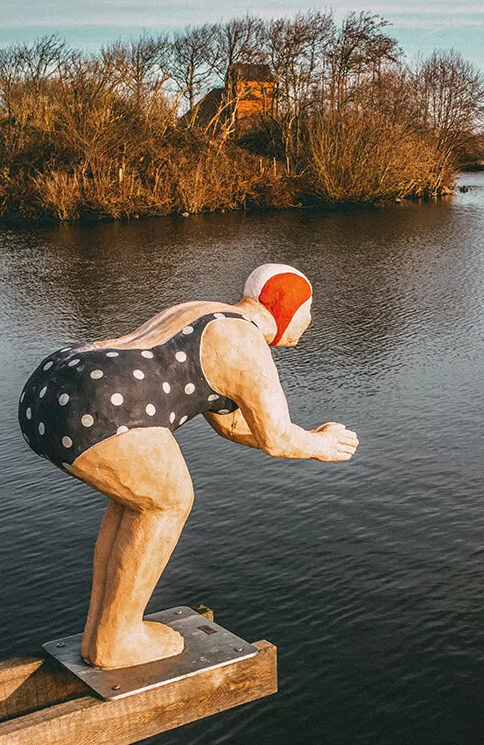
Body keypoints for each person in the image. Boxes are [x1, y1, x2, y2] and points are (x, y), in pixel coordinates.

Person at [18, 263, 358, 669]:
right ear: (286, 307)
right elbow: (276, 438)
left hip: (53, 387)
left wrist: (305, 436)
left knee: (136, 502)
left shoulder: (205, 312)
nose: (310, 321)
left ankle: (101, 632)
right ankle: (118, 641)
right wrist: (322, 444)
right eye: (308, 311)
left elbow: (233, 425)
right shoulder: (246, 343)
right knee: (168, 503)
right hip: (99, 402)